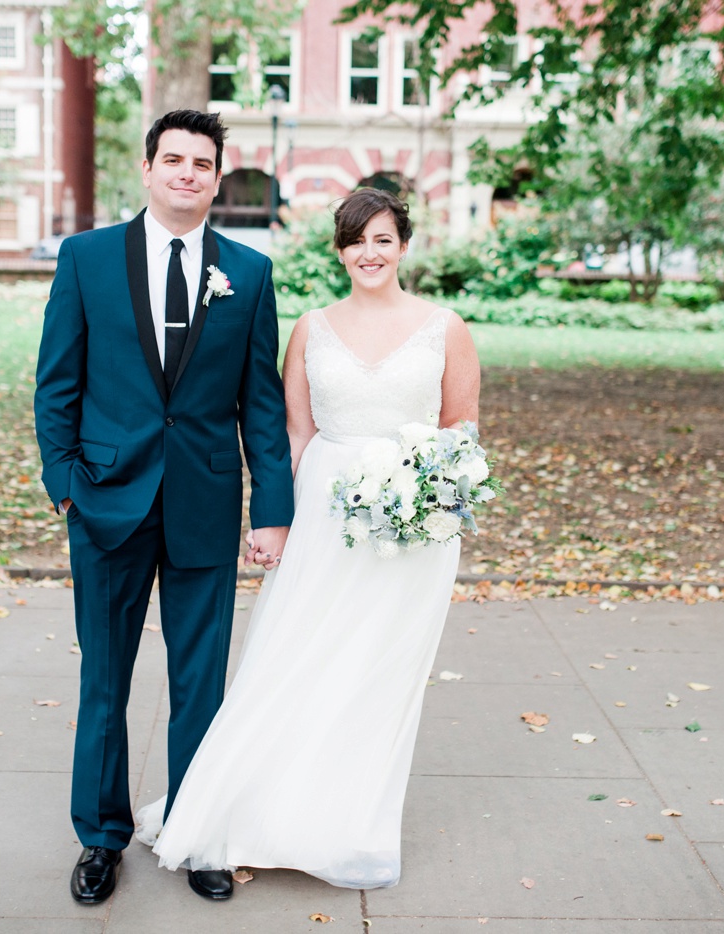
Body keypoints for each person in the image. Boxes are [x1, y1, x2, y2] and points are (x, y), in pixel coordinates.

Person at [137, 188, 482, 889]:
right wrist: (276, 522)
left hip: (413, 532)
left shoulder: (446, 327)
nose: (370, 253)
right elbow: (291, 434)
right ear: (340, 249)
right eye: (356, 240)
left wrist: (427, 497)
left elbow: (462, 430)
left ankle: (347, 827)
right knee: (293, 660)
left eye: (383, 239)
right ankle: (253, 814)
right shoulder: (310, 328)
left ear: (404, 246)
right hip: (328, 516)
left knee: (377, 678)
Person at [33, 110, 294, 905]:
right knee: (104, 682)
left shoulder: (248, 273)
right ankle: (101, 837)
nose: (187, 172)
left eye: (202, 163)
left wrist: (271, 510)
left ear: (218, 179)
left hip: (205, 504)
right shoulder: (85, 260)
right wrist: (67, 483)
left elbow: (262, 404)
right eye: (173, 159)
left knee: (201, 683)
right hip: (107, 501)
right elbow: (56, 385)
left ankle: (195, 828)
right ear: (147, 169)